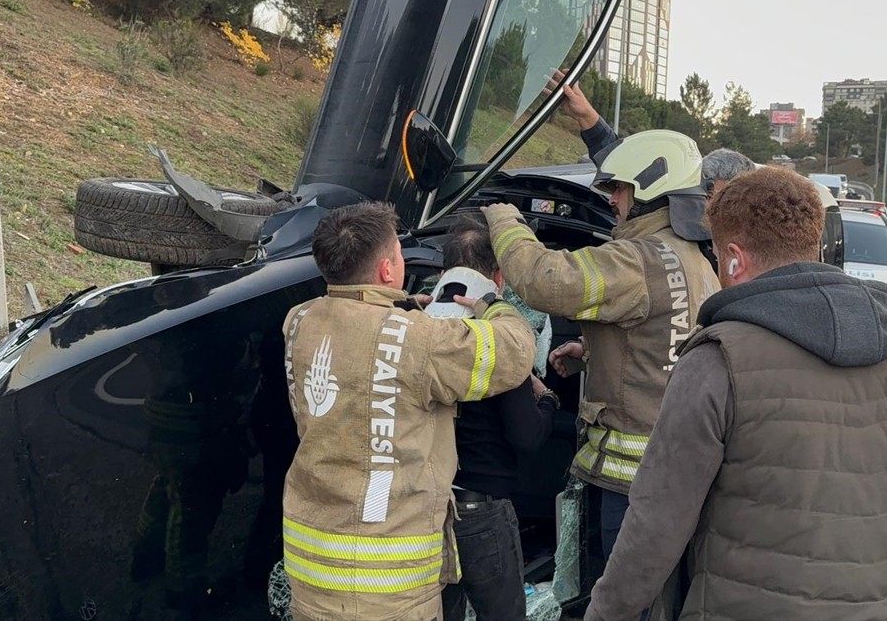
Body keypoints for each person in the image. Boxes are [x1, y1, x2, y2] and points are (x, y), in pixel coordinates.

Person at [586, 167, 887, 621]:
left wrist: (606, 611)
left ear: (734, 258)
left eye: (717, 258)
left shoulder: (718, 360)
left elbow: (656, 526)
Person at [281, 202, 535, 621]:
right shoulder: (420, 340)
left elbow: (361, 349)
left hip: (311, 567)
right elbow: (514, 351)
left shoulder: (299, 320)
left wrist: (400, 307)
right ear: (387, 270)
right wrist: (493, 304)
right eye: (398, 254)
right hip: (386, 587)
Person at [480, 130, 720, 561]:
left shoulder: (636, 259)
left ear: (649, 189)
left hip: (630, 484)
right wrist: (594, 354)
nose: (612, 198)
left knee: (618, 592)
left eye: (619, 187)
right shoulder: (693, 259)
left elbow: (546, 281)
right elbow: (664, 342)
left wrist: (503, 221)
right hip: (670, 471)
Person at [435, 216, 560, 621]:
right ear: (499, 279)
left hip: (426, 508)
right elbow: (527, 437)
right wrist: (549, 400)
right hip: (480, 512)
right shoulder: (498, 342)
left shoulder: (417, 330)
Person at [550, 70, 756, 196]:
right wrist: (586, 116)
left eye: (720, 200)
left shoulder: (739, 248)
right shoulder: (672, 211)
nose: (709, 207)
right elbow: (623, 166)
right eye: (706, 193)